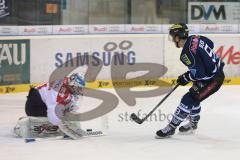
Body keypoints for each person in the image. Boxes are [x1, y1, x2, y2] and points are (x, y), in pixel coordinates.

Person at [156, 23, 225, 138]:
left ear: (178, 37)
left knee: (188, 99)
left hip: (213, 80)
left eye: (173, 37)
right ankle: (193, 124)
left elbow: (199, 74)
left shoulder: (186, 54)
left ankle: (172, 127)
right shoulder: (195, 38)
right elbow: (210, 44)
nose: (173, 40)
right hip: (212, 74)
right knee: (195, 96)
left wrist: (185, 78)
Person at [14, 73, 86, 138]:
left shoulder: (69, 86)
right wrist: (64, 126)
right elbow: (52, 111)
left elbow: (72, 107)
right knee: (52, 120)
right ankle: (22, 126)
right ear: (72, 84)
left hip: (44, 103)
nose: (79, 90)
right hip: (34, 104)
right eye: (78, 88)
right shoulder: (57, 89)